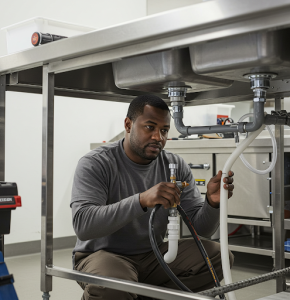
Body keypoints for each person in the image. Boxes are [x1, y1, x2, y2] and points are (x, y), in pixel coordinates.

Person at [71, 95, 235, 300]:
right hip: (102, 255)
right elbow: (84, 226)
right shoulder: (96, 163)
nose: (159, 137)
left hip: (153, 254)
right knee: (114, 287)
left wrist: (212, 203)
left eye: (164, 130)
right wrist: (141, 200)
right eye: (150, 127)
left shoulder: (174, 164)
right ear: (128, 125)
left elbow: (201, 230)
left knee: (219, 257)